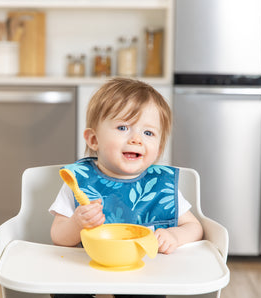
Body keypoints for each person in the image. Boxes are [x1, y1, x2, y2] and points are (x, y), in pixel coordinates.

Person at [49, 78, 203, 298]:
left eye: (148, 133)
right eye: (123, 127)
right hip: (83, 271)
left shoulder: (161, 186)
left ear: (158, 149)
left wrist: (175, 236)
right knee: (65, 292)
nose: (136, 139)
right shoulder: (80, 182)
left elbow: (194, 227)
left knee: (151, 290)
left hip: (143, 273)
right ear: (94, 139)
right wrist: (76, 223)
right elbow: (58, 236)